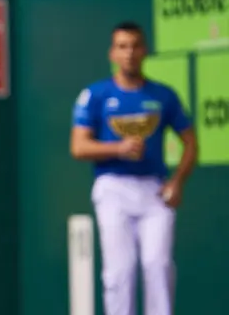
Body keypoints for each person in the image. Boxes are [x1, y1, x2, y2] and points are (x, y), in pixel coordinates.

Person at [70, 21, 197, 315]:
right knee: (120, 271)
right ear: (112, 53)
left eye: (135, 46)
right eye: (122, 47)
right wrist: (118, 148)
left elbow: (191, 143)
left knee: (158, 265)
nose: (129, 53)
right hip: (112, 187)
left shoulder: (164, 95)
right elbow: (78, 147)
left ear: (145, 50)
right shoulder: (95, 95)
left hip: (155, 189)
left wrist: (177, 181)